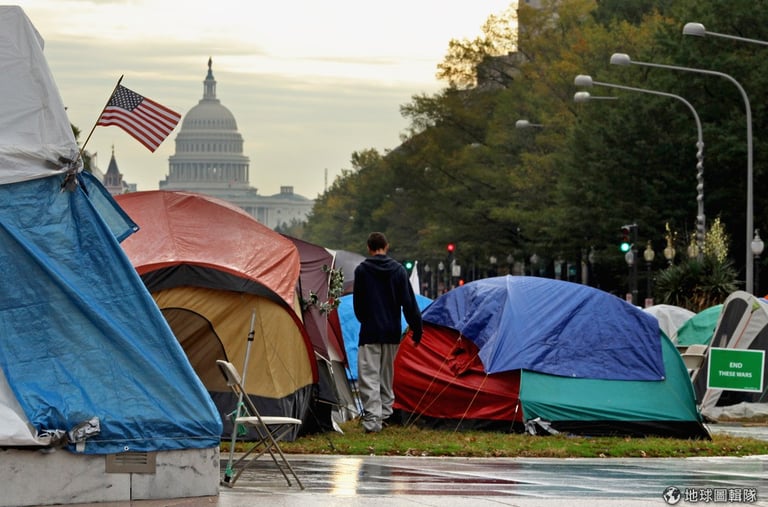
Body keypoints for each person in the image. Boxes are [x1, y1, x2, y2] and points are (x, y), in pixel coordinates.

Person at [353, 232, 422, 433]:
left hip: (370, 331)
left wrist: (365, 319)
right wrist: (417, 330)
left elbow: (359, 304)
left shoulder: (362, 271)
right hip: (392, 330)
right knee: (386, 375)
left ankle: (372, 420)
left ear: (369, 247)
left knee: (369, 375)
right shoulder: (399, 271)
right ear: (387, 246)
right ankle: (384, 414)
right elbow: (409, 303)